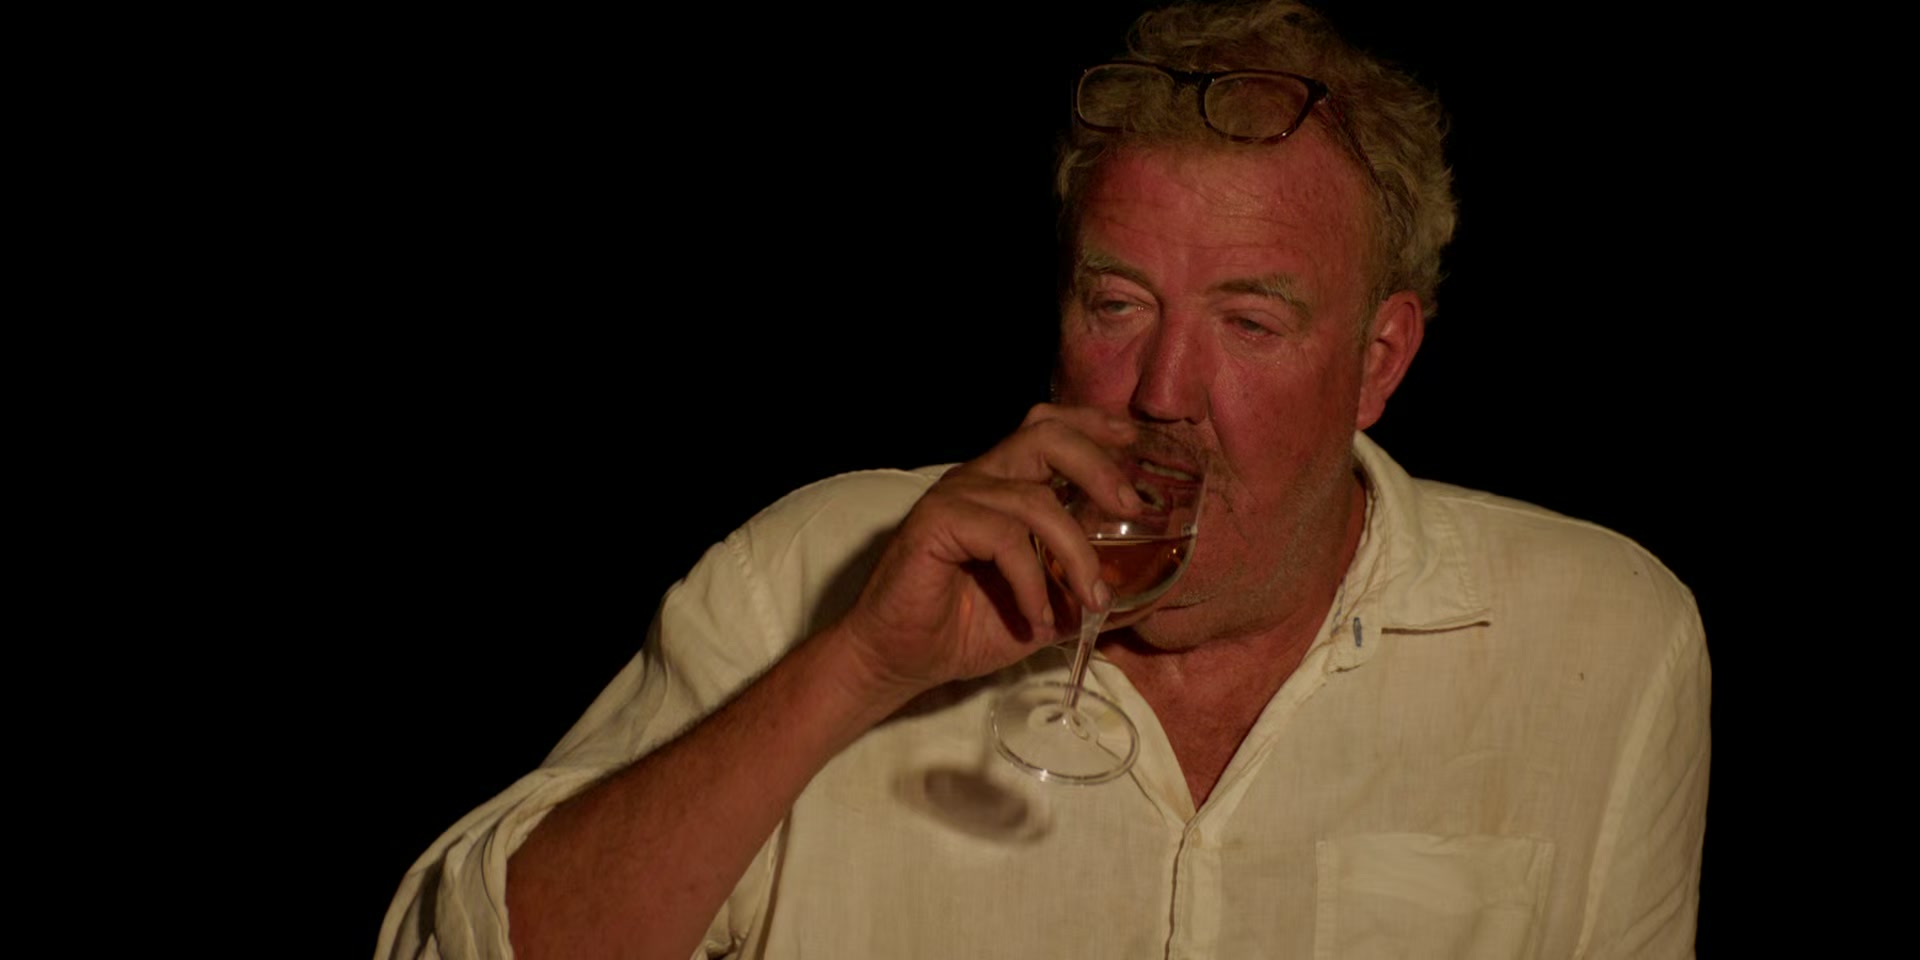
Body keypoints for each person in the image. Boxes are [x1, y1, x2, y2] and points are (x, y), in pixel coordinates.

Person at [378, 2, 1710, 957]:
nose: (1163, 391)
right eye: (1118, 303)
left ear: (1378, 361)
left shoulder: (1602, 635)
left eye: (1249, 322)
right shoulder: (815, 565)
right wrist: (857, 670)